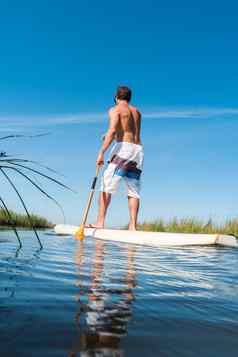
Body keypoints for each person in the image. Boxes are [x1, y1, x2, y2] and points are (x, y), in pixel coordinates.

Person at [88, 86, 144, 230]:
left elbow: (113, 131)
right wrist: (107, 135)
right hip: (138, 151)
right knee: (133, 189)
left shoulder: (115, 109)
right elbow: (127, 130)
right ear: (129, 98)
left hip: (123, 149)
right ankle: (133, 226)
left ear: (116, 97)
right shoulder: (137, 112)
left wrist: (101, 152)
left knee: (106, 184)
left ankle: (100, 222)